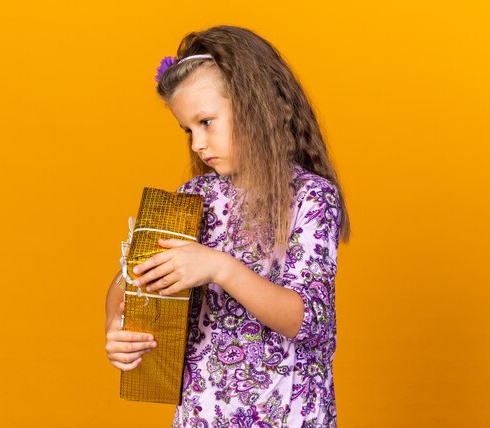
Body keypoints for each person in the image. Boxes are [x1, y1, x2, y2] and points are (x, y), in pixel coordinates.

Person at [105, 25, 350, 427]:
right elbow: (129, 285)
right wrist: (118, 328)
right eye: (188, 130)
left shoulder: (311, 197)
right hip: (202, 414)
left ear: (257, 107)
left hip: (289, 415)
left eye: (206, 122)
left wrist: (218, 266)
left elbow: (308, 320)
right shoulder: (192, 197)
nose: (197, 144)